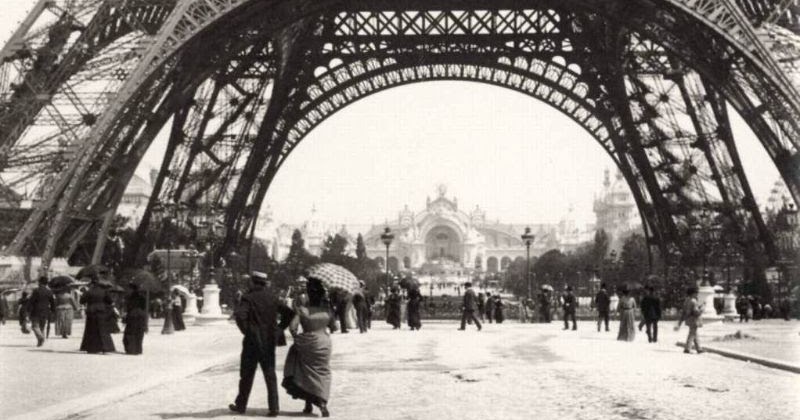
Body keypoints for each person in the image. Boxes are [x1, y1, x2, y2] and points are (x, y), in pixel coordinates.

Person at [229, 272, 293, 417]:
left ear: (253, 282)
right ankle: (274, 407)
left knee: (246, 374)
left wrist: (247, 331)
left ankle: (241, 405)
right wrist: (279, 329)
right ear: (264, 283)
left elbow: (239, 315)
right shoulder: (272, 297)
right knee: (270, 374)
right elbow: (289, 313)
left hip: (252, 342)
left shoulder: (248, 298)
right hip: (269, 341)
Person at [283, 276, 332, 417]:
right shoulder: (327, 310)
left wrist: (297, 338)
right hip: (324, 342)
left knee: (304, 372)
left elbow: (293, 327)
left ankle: (308, 404)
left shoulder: (303, 310)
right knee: (322, 372)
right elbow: (333, 326)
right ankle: (322, 404)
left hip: (308, 341)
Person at [79, 275, 116, 354]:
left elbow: (81, 301)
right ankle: (105, 348)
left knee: (91, 330)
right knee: (103, 330)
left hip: (91, 311)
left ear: (92, 283)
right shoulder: (104, 291)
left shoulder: (88, 291)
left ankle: (92, 348)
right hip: (101, 311)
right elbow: (110, 301)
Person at [27, 277, 56, 347]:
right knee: (42, 327)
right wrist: (53, 311)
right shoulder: (49, 291)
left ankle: (41, 338)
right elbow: (52, 302)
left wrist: (28, 310)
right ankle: (40, 342)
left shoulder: (36, 291)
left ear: (40, 282)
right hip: (45, 311)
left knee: (35, 326)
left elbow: (31, 301)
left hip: (36, 311)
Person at [675, 286, 704, 354]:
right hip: (694, 319)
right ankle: (687, 348)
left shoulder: (686, 300)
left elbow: (685, 310)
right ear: (692, 293)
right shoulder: (693, 301)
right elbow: (696, 312)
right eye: (696, 292)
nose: (697, 294)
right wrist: (702, 309)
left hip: (688, 319)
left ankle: (699, 348)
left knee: (694, 333)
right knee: (692, 334)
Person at [123, 283, 148, 355]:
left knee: (130, 332)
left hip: (132, 314)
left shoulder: (129, 297)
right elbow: (144, 307)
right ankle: (138, 349)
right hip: (140, 315)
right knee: (139, 332)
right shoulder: (142, 297)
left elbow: (128, 307)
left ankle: (131, 348)